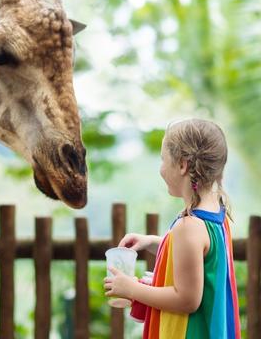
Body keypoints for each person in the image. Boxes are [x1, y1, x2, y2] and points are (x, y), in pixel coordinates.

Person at [103, 118, 241, 338]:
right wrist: (154, 242)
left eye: (163, 159)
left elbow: (186, 299)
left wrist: (132, 288)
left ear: (182, 165)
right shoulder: (215, 212)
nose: (161, 168)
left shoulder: (189, 227)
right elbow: (200, 262)